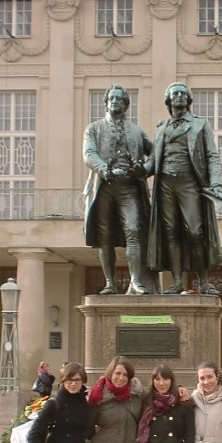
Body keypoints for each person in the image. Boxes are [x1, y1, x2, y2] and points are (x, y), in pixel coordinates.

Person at [145, 82, 222, 295]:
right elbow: (153, 162)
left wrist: (216, 182)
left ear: (189, 100)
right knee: (171, 232)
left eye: (183, 94)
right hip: (165, 183)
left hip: (189, 182)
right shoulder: (161, 128)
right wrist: (134, 170)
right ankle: (176, 281)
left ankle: (203, 281)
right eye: (175, 94)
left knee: (194, 231)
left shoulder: (200, 125)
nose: (179, 96)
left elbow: (212, 156)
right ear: (169, 101)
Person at [83, 84, 153, 295]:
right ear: (106, 103)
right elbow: (88, 153)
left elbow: (156, 154)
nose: (115, 101)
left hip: (129, 188)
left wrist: (145, 169)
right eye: (112, 98)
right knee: (105, 235)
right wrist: (104, 168)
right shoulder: (93, 129)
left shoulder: (137, 131)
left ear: (126, 105)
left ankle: (135, 281)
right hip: (104, 187)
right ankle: (110, 283)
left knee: (133, 230)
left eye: (120, 99)